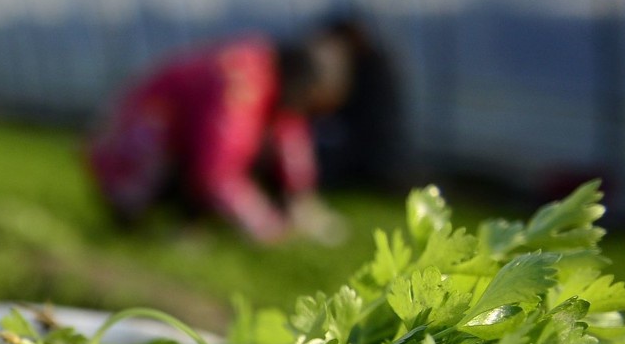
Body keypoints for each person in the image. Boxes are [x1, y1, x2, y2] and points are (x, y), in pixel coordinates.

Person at [86, 28, 353, 245]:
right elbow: (215, 172)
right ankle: (155, 226)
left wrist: (301, 200)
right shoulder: (244, 84)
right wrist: (266, 225)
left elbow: (290, 137)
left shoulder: (269, 75)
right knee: (223, 159)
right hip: (129, 157)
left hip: (159, 146)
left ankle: (185, 227)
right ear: (302, 85)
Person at [309, 13, 405, 192]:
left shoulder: (368, 71)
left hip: (371, 150)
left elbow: (341, 107)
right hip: (376, 147)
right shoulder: (375, 64)